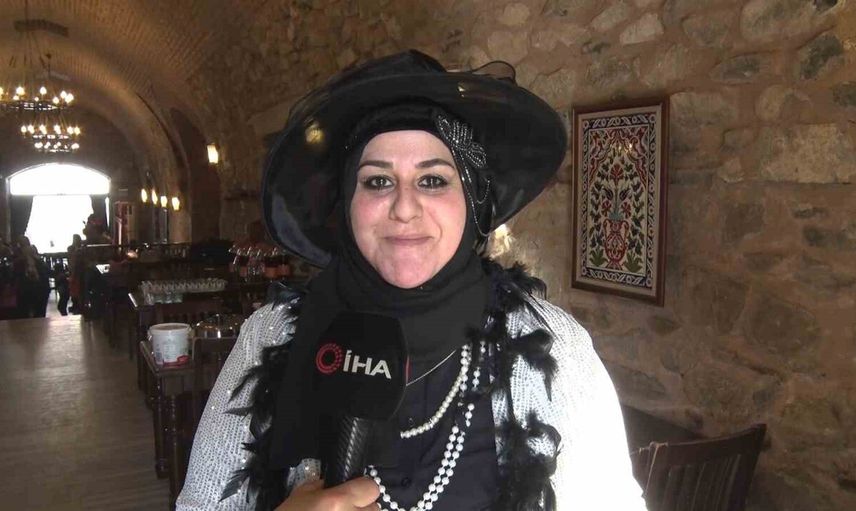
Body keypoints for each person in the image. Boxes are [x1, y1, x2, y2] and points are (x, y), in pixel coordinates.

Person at [178, 51, 645, 511]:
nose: (404, 208)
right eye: (377, 182)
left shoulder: (553, 347)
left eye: (433, 180)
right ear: (347, 202)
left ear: (473, 200)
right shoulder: (270, 335)